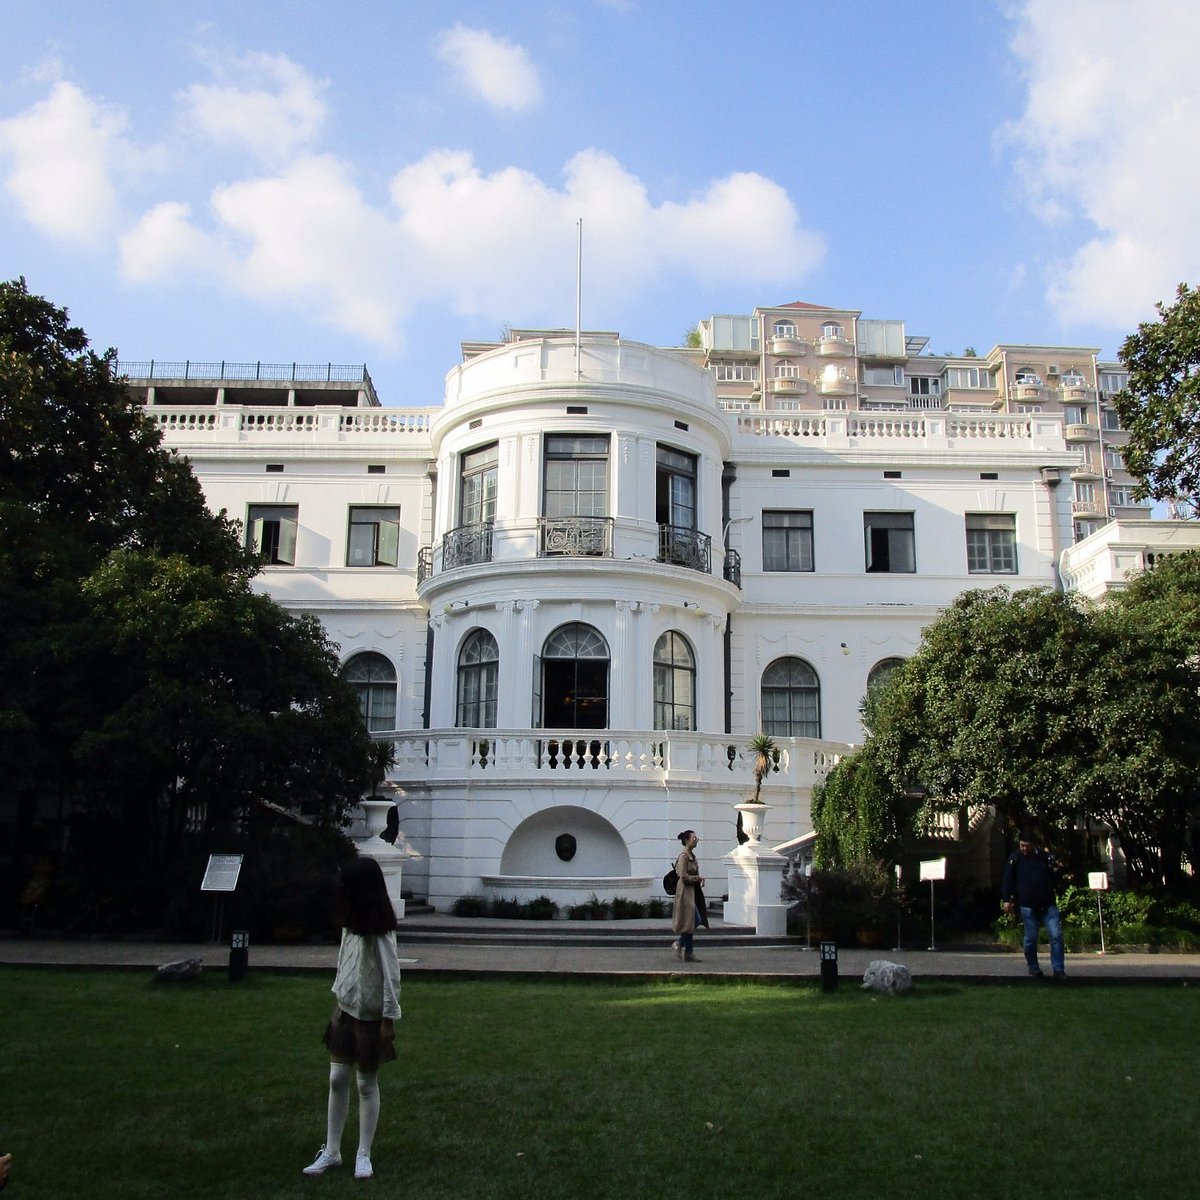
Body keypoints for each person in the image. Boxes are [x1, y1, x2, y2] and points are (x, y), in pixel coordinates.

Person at [302, 856, 402, 1180]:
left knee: (365, 1083)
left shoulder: (381, 931)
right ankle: (331, 1150)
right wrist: (338, 994)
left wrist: (389, 1018)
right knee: (336, 1079)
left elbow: (391, 976)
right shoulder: (349, 922)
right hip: (345, 1008)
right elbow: (343, 959)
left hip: (371, 1015)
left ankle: (363, 1153)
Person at [1001, 832, 1065, 981]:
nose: (1024, 849)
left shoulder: (1044, 857)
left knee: (1056, 935)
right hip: (1027, 904)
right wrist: (1006, 899)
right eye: (1022, 845)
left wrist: (1057, 870)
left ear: (1033, 845)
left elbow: (1057, 876)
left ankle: (1058, 969)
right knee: (1031, 937)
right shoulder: (1015, 859)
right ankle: (1033, 968)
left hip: (1047, 903)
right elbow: (1008, 880)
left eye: (1027, 846)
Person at [671, 829, 706, 963]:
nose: (696, 840)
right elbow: (683, 876)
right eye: (693, 838)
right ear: (686, 840)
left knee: (691, 922)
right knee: (695, 920)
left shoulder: (692, 856)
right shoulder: (683, 857)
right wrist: (697, 878)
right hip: (685, 893)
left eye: (696, 838)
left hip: (692, 892)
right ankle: (679, 943)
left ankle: (689, 952)